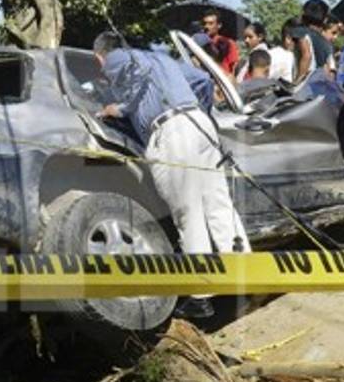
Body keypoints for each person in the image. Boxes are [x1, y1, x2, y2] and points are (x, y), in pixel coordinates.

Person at [93, 31, 248, 256]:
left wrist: (119, 109)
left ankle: (202, 277)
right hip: (199, 123)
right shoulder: (163, 59)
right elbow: (203, 80)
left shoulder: (118, 57)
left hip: (171, 132)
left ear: (99, 56)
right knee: (219, 204)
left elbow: (138, 70)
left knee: (189, 213)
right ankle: (241, 267)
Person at [291, 0, 334, 80]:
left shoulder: (300, 32)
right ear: (324, 19)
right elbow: (329, 68)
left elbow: (307, 56)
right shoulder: (326, 42)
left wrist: (298, 80)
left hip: (306, 82)